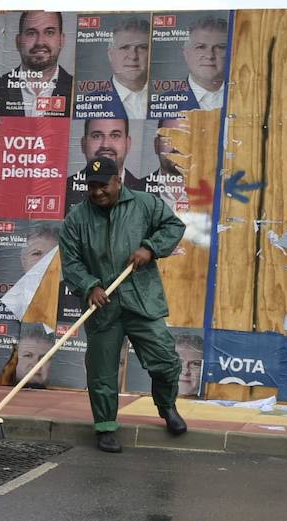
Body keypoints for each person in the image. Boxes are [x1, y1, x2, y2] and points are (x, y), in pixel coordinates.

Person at [58, 156, 187, 453]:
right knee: (101, 371)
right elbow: (72, 263)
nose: (97, 192)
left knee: (166, 361)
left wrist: (150, 248)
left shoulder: (145, 204)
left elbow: (172, 226)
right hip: (104, 309)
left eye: (103, 185)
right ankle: (105, 427)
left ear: (118, 180)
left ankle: (167, 408)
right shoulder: (76, 219)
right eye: (91, 186)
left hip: (142, 299)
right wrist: (91, 286)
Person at [2, 11, 73, 116]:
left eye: (49, 32)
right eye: (31, 33)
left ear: (61, 40)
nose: (40, 42)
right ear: (18, 41)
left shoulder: (74, 91)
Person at [66, 118, 147, 207]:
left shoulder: (146, 192)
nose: (105, 145)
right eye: (97, 136)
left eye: (115, 136)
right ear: (83, 144)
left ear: (128, 144)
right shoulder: (64, 189)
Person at [105, 18, 150, 119]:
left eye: (142, 47)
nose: (133, 56)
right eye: (124, 47)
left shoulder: (170, 101)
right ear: (110, 54)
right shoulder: (85, 106)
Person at [182, 17, 228, 110]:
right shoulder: (160, 105)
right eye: (200, 47)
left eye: (220, 47)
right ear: (185, 53)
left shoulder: (250, 99)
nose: (210, 55)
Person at [145, 117, 189, 210]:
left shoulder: (213, 192)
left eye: (185, 138)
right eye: (169, 137)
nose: (177, 146)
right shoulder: (135, 190)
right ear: (156, 145)